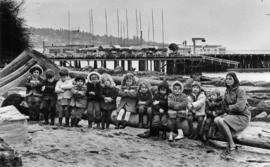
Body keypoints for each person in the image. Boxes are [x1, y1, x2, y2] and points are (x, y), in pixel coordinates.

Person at [214, 72, 250, 152]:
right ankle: (229, 140)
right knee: (216, 120)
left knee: (221, 121)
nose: (228, 80)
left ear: (235, 80)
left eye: (230, 79)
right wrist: (219, 111)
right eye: (227, 78)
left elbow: (240, 107)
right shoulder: (227, 91)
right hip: (232, 115)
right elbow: (224, 105)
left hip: (242, 116)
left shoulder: (240, 90)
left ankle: (231, 144)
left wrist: (228, 108)